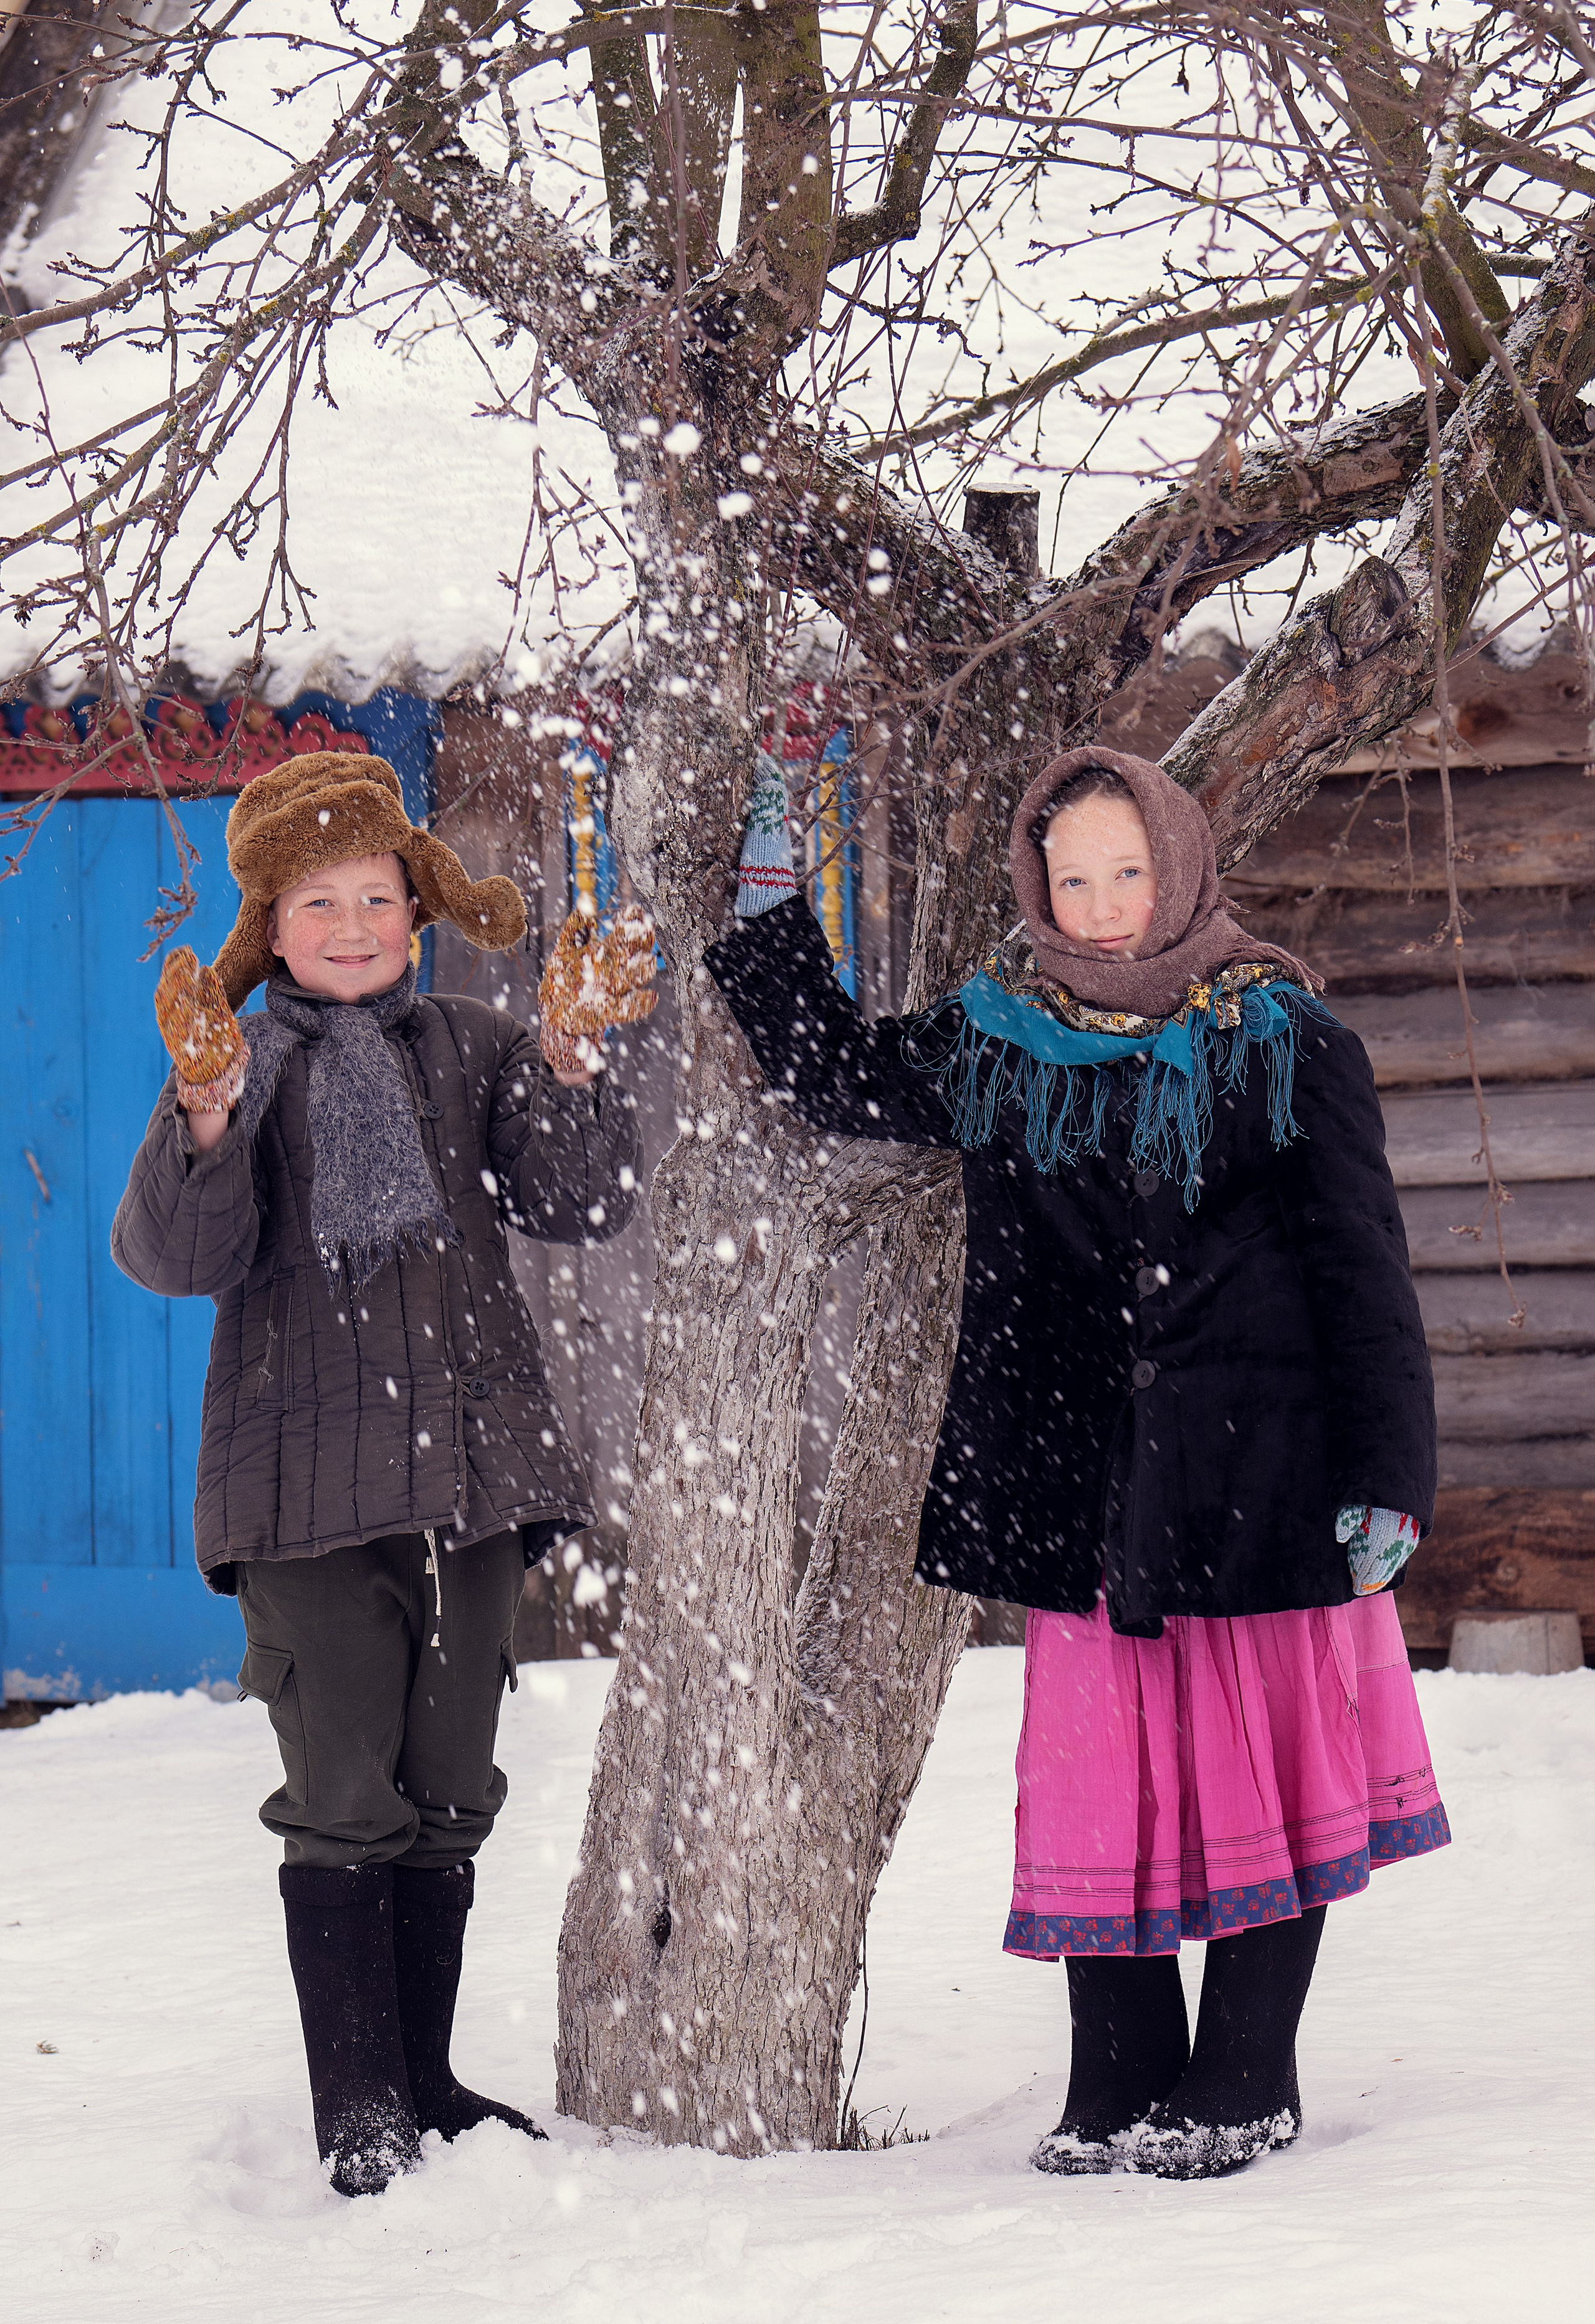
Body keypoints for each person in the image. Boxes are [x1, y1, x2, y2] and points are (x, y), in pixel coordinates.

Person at [707, 742, 1449, 2181]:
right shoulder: (1001, 1040)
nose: (1102, 906)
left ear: (1177, 866)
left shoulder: (1282, 1037)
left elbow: (1362, 1266)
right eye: (1071, 879)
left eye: (1126, 872)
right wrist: (768, 909)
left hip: (1261, 1473)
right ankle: (1117, 2067)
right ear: (1035, 889)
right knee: (1103, 1770)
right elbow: (838, 1079)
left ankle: (1246, 2071)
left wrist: (1387, 1475)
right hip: (1081, 1479)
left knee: (1254, 1766)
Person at [112, 750, 654, 2196]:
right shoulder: (240, 1063)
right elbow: (174, 1254)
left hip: (467, 1477)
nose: (350, 925)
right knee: (344, 1789)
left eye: (374, 895)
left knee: (450, 1783)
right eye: (316, 902)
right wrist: (204, 1109)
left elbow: (580, 1199)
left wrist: (569, 1059)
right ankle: (357, 2103)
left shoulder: (474, 1045)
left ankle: (426, 2079)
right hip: (300, 1494)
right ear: (269, 928)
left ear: (418, 905)